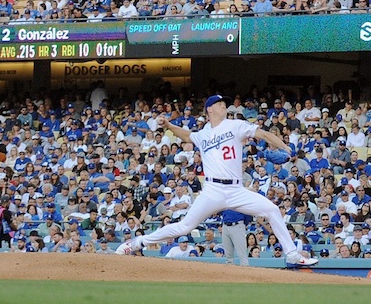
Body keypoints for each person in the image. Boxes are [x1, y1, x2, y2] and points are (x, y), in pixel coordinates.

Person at [116, 95, 318, 266]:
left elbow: (262, 133)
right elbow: (187, 136)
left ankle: (292, 254)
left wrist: (284, 147)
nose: (225, 106)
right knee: (185, 226)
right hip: (212, 189)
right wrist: (168, 124)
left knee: (272, 210)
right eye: (221, 104)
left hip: (236, 190)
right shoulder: (203, 134)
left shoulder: (235, 125)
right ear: (210, 109)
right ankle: (137, 243)